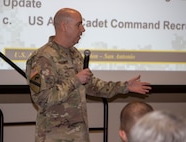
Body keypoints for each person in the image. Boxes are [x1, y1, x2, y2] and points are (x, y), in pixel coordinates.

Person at [25, 8, 152, 142]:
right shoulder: (42, 58)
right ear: (64, 26)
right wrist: (75, 80)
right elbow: (41, 99)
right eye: (78, 24)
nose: (83, 29)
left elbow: (92, 85)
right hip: (54, 137)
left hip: (80, 136)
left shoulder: (74, 54)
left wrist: (125, 86)